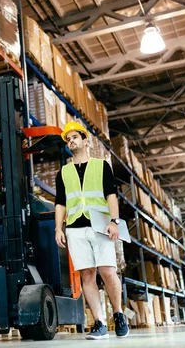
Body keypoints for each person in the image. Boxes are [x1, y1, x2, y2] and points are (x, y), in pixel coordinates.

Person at [54, 121, 129, 339]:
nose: (71, 141)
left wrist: (114, 221)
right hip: (75, 228)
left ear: (86, 141)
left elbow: (111, 195)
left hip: (100, 225)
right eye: (68, 139)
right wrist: (59, 228)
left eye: (75, 137)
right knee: (87, 274)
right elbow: (60, 202)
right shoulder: (64, 172)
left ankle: (118, 314)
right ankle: (100, 322)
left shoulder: (102, 165)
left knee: (107, 271)